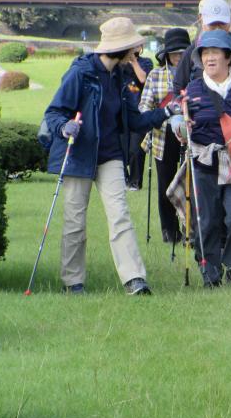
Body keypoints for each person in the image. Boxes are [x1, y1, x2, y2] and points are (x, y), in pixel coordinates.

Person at [44, 17, 185, 295]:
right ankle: (73, 282)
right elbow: (53, 113)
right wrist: (64, 126)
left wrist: (167, 112)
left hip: (109, 155)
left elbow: (134, 121)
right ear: (119, 49)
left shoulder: (120, 77)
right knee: (75, 220)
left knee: (120, 215)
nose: (136, 54)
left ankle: (134, 278)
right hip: (79, 155)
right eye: (132, 49)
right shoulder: (80, 74)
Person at [170, 30, 231, 287]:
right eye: (205, 53)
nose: (209, 58)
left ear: (229, 57)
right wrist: (180, 127)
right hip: (204, 160)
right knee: (207, 219)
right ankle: (209, 270)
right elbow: (177, 118)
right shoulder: (192, 88)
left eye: (215, 53)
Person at [139, 27, 191, 243]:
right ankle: (169, 231)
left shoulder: (197, 74)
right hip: (162, 135)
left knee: (190, 184)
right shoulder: (155, 75)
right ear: (167, 54)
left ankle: (191, 229)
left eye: (183, 52)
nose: (179, 57)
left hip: (191, 136)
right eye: (175, 53)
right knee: (165, 185)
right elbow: (143, 107)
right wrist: (162, 113)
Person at [173, 0, 231, 105]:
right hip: (200, 118)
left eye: (222, 24)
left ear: (230, 21)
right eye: (212, 25)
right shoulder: (192, 52)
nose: (217, 29)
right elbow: (178, 89)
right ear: (201, 20)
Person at [124, 46, 154, 190]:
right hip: (121, 110)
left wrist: (134, 61)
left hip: (139, 111)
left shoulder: (146, 62)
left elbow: (143, 79)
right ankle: (123, 179)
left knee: (136, 149)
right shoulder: (119, 62)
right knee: (120, 147)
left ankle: (135, 182)